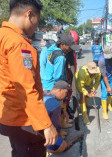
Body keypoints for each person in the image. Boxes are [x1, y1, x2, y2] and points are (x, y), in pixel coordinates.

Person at [0, 0, 57, 156]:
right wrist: (46, 125)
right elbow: (26, 88)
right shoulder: (18, 44)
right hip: (23, 118)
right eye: (37, 22)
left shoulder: (2, 36)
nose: (36, 28)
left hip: (7, 114)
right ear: (29, 15)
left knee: (18, 151)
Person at [43, 81, 83, 153]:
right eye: (65, 93)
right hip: (40, 131)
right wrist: (59, 136)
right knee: (63, 146)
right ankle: (46, 148)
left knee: (60, 111)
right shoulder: (55, 105)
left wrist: (62, 110)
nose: (66, 95)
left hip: (32, 123)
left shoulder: (45, 92)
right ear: (59, 90)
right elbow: (56, 126)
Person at [98, 46, 112, 119]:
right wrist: (108, 86)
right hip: (105, 77)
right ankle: (104, 111)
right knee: (105, 93)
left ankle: (109, 105)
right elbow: (104, 75)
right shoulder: (101, 60)